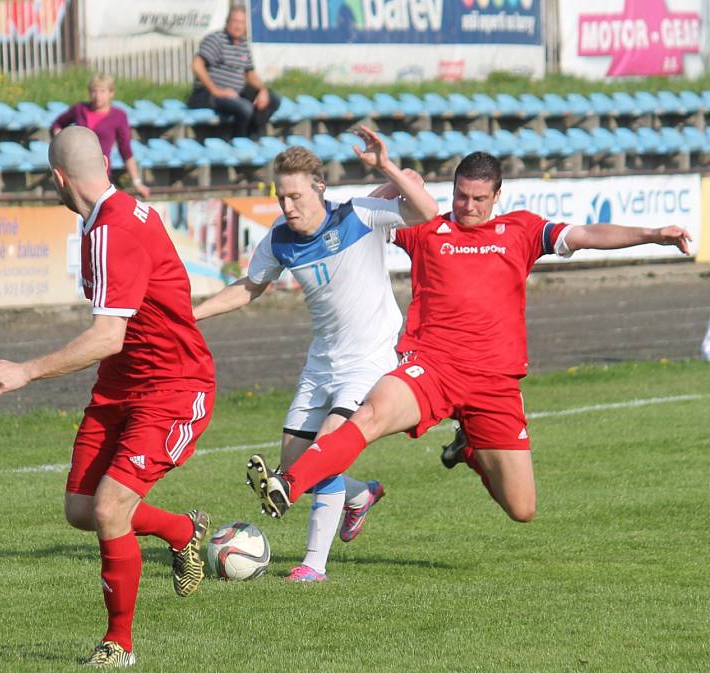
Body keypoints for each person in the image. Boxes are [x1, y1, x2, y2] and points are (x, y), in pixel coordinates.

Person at [246, 151, 692, 525]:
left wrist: (653, 235)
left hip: (494, 383)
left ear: (497, 196)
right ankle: (290, 483)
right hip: (431, 369)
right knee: (371, 414)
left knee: (522, 509)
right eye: (461, 195)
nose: (469, 206)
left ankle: (470, 451)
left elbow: (588, 233)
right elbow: (352, 221)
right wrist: (386, 171)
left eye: (480, 198)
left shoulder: (521, 230)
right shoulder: (427, 228)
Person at [0, 126, 214, 667]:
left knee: (111, 508)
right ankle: (183, 530)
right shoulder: (107, 220)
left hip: (173, 388)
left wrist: (26, 371)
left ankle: (119, 644)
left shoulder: (112, 228)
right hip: (120, 387)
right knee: (82, 510)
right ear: (104, 163)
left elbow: (108, 335)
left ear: (59, 179)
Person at [194, 128, 438, 581]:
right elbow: (250, 287)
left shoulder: (359, 216)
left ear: (319, 188)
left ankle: (313, 566)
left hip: (370, 359)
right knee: (293, 472)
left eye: (295, 196)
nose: (288, 206)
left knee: (325, 449)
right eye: (280, 197)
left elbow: (427, 211)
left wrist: (385, 167)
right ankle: (360, 494)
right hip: (321, 363)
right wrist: (193, 315)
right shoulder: (279, 239)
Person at [52, 72, 151, 200]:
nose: (97, 96)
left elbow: (125, 151)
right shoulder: (79, 109)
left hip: (101, 175)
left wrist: (137, 182)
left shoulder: (119, 116)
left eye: (102, 91)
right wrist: (61, 142)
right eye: (94, 91)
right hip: (75, 173)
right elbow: (58, 124)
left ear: (111, 93)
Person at [188, 5, 281, 139]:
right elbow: (196, 65)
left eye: (242, 22)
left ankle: (253, 134)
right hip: (209, 94)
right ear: (227, 22)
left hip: (234, 93)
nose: (238, 26)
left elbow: (250, 75)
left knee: (273, 99)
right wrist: (216, 91)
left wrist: (263, 90)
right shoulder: (216, 39)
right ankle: (239, 142)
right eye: (235, 21)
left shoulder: (243, 45)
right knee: (244, 108)